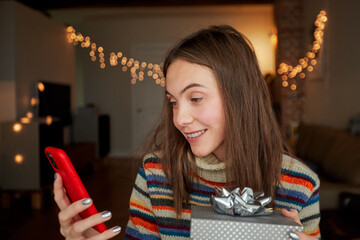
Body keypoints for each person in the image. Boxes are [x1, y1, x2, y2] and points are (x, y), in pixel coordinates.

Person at [53, 25, 321, 240]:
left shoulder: (300, 183)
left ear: (240, 97)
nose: (179, 119)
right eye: (173, 102)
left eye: (195, 98)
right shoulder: (156, 173)